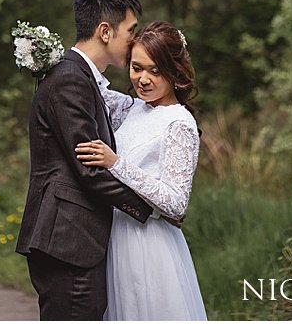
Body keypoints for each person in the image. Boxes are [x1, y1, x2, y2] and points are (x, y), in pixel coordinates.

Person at [15, 0, 156, 320]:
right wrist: (151, 207)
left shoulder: (78, 75)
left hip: (73, 239)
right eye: (130, 30)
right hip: (69, 240)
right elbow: (90, 169)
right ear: (105, 31)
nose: (134, 41)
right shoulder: (70, 78)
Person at [75, 20, 208, 321]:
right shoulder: (134, 108)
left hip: (150, 246)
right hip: (117, 240)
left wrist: (116, 164)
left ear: (175, 72)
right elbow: (89, 82)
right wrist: (46, 54)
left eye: (155, 71)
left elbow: (176, 202)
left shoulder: (179, 123)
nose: (143, 79)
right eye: (136, 68)